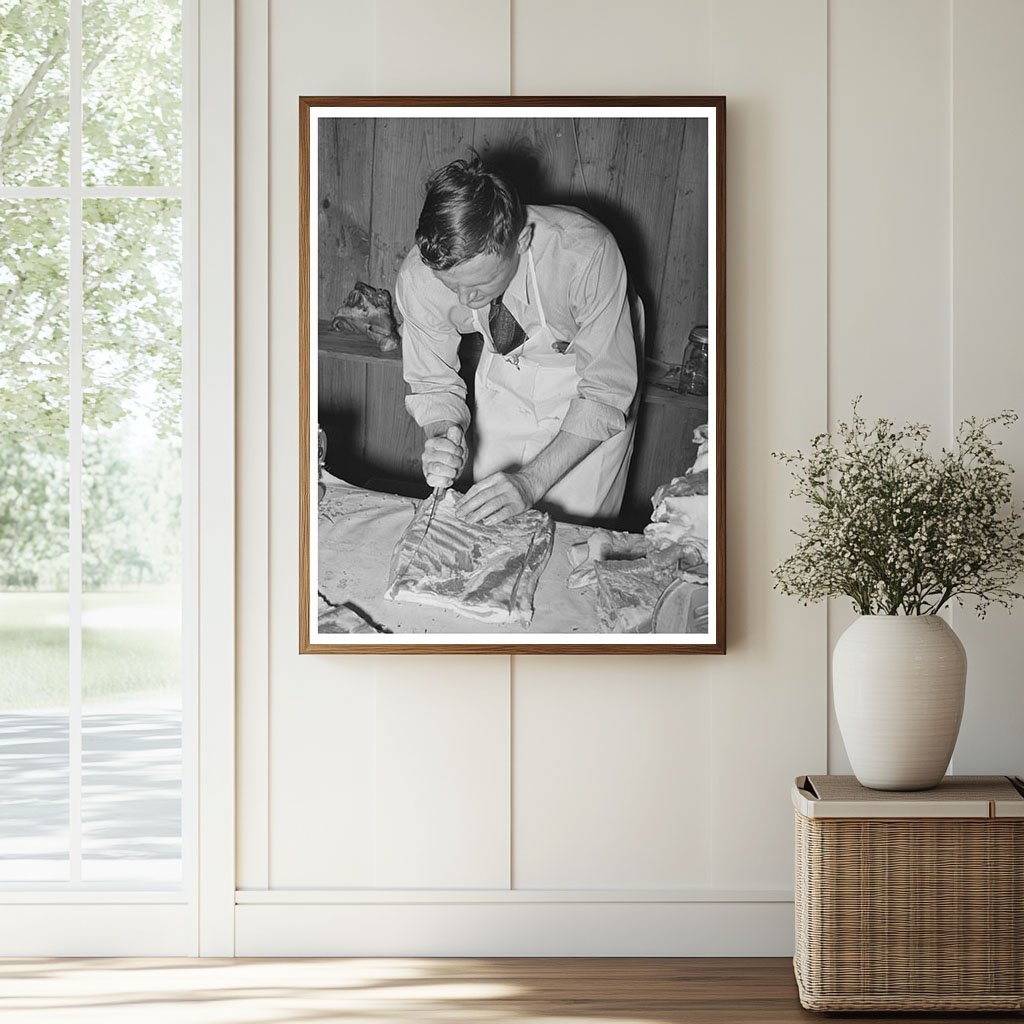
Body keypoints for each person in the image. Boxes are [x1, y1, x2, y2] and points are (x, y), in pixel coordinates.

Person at [395, 157, 639, 526]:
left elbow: (605, 393)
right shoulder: (420, 277)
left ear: (521, 240)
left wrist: (530, 482)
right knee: (491, 521)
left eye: (478, 285)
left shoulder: (586, 255)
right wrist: (444, 436)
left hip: (586, 377)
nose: (464, 299)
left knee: (574, 531)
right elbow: (432, 382)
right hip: (504, 367)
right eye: (451, 285)